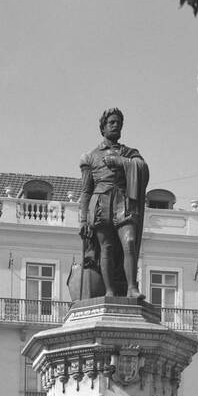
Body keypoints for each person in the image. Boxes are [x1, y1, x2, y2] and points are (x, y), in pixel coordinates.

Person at [77, 107, 150, 298]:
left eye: (119, 123)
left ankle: (132, 288)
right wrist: (83, 219)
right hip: (100, 203)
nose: (116, 125)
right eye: (112, 122)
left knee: (130, 241)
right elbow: (86, 190)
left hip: (123, 201)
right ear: (103, 128)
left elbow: (142, 167)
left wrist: (121, 162)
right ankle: (109, 291)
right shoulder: (90, 156)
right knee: (106, 248)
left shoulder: (130, 153)